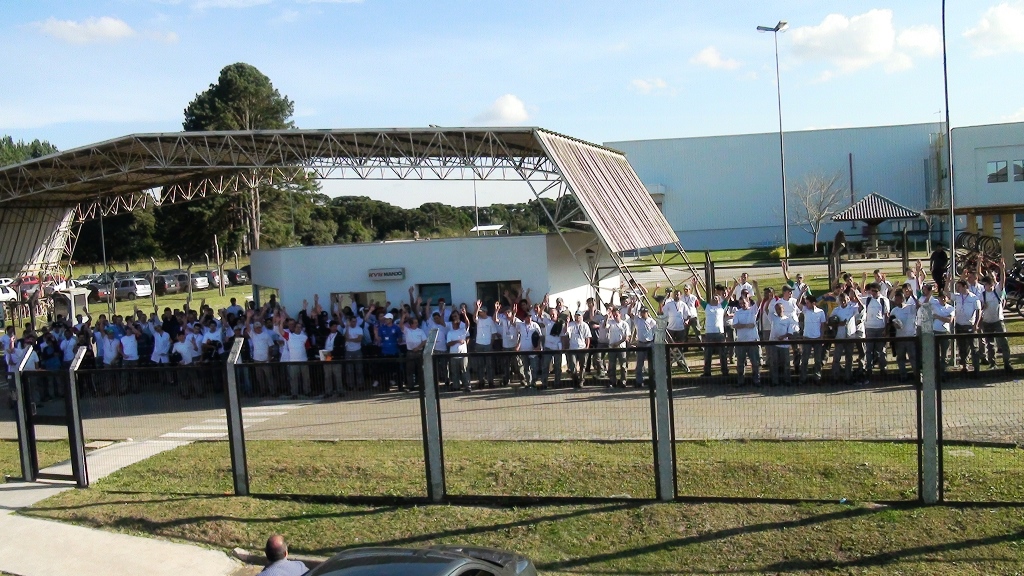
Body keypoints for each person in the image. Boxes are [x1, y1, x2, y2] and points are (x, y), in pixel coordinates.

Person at [980, 261, 1013, 373]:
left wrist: (1002, 269)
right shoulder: (982, 294)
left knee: (1003, 342)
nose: (985, 287)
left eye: (986, 285)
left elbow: (1003, 281)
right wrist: (983, 307)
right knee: (990, 344)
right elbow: (980, 307)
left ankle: (1007, 363)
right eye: (984, 285)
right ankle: (992, 363)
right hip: (987, 321)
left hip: (998, 320)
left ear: (991, 284)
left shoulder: (997, 291)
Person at [952, 279, 982, 376]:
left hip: (969, 325)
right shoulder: (958, 296)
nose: (957, 289)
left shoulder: (974, 298)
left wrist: (976, 324)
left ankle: (976, 368)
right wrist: (948, 281)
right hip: (959, 325)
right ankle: (964, 366)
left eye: (959, 287)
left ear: (965, 286)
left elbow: (979, 311)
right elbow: (947, 293)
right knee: (962, 347)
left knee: (974, 347)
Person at [890, 289, 920, 383]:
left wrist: (913, 296)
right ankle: (903, 376)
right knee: (900, 358)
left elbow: (919, 305)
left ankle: (917, 375)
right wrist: (894, 325)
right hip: (900, 338)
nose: (897, 301)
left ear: (902, 299)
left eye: (898, 299)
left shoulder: (910, 307)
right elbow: (891, 322)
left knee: (913, 357)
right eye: (896, 299)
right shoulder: (894, 311)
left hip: (911, 337)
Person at [732, 291, 761, 387]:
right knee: (740, 363)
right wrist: (747, 325)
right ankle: (740, 381)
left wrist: (756, 287)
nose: (742, 305)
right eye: (740, 303)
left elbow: (760, 300)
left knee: (755, 362)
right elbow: (735, 325)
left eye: (744, 303)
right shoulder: (737, 313)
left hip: (752, 340)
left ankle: (756, 380)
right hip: (741, 341)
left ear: (748, 302)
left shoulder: (753, 310)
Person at [767, 302, 798, 386]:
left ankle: (787, 380)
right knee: (774, 363)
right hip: (774, 344)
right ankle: (774, 381)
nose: (778, 310)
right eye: (777, 309)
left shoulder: (788, 319)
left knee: (786, 363)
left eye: (780, 308)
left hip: (784, 345)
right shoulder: (773, 317)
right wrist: (768, 300)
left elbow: (790, 333)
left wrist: (783, 336)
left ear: (783, 309)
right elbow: (766, 309)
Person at [798, 295, 827, 385]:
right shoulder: (805, 310)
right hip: (807, 337)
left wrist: (822, 337)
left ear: (813, 303)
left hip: (817, 338)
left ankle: (817, 377)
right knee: (804, 359)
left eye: (808, 303)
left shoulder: (820, 312)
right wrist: (802, 293)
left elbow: (822, 325)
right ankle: (803, 378)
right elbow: (798, 303)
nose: (806, 304)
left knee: (818, 360)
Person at [565, 311, 592, 388]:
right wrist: (567, 323)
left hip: (582, 347)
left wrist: (587, 347)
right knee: (572, 366)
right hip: (573, 348)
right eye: (576, 316)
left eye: (579, 316)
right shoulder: (571, 324)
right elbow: (566, 332)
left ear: (582, 317)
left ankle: (581, 380)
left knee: (583, 366)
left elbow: (588, 337)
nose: (577, 318)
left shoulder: (585, 325)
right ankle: (575, 379)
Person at [446, 311, 471, 392]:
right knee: (454, 371)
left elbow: (468, 324)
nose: (455, 324)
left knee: (465, 370)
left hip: (463, 354)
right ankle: (456, 386)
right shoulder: (450, 333)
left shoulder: (463, 331)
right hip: (453, 355)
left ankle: (467, 386)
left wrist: (464, 314)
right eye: (454, 323)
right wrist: (457, 341)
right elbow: (448, 343)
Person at [633, 307, 656, 387]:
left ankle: (653, 380)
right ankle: (639, 381)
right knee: (639, 364)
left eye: (644, 312)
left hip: (649, 343)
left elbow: (656, 331)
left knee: (652, 364)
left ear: (647, 312)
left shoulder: (651, 321)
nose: (642, 314)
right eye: (641, 312)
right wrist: (632, 304)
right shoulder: (638, 320)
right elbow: (630, 314)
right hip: (640, 344)